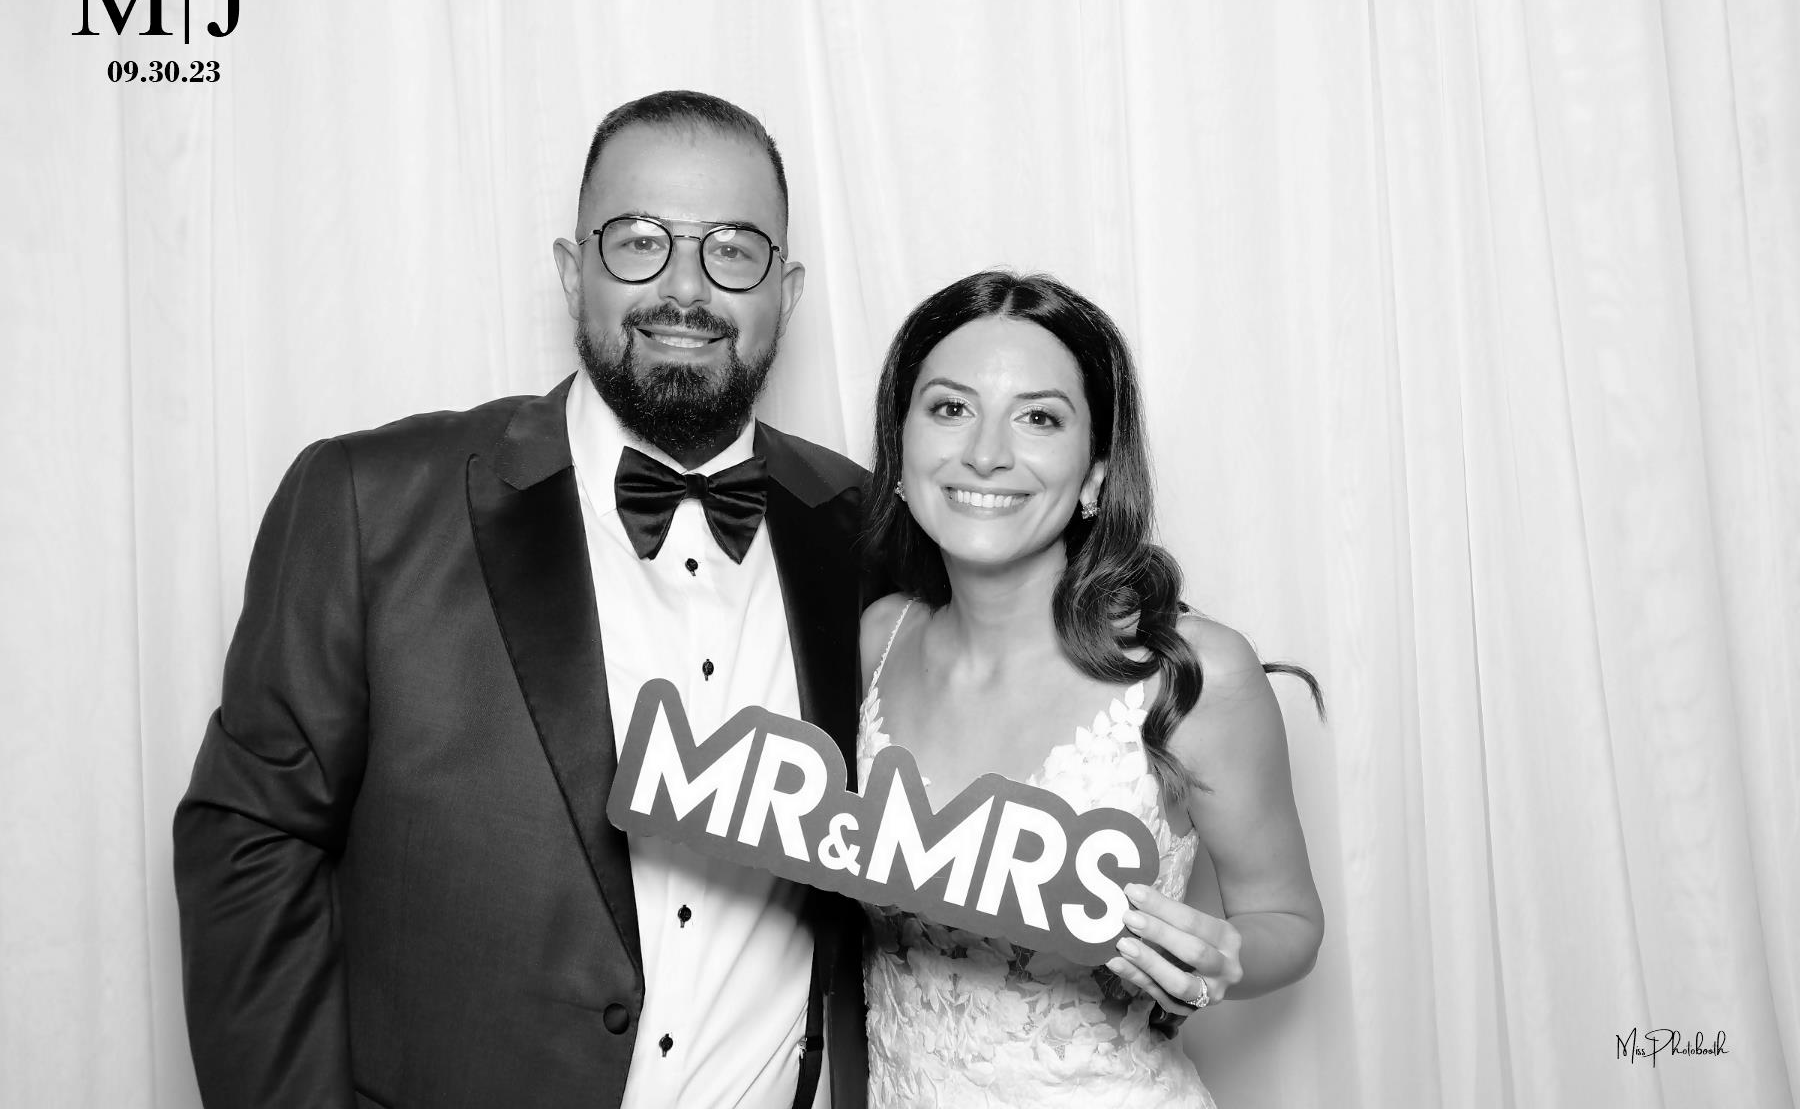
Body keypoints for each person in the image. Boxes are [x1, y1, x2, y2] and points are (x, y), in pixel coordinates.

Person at [174, 91, 870, 1109]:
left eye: (733, 249)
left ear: (788, 291)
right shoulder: (369, 502)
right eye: (639, 241)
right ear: (572, 272)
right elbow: (250, 844)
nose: (684, 289)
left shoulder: (867, 529)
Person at [855, 271, 1325, 1106]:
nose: (986, 453)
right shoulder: (876, 641)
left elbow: (1289, 921)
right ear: (900, 449)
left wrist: (1221, 958)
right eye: (950, 408)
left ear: (1097, 474)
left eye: (1039, 418)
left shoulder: (1196, 672)